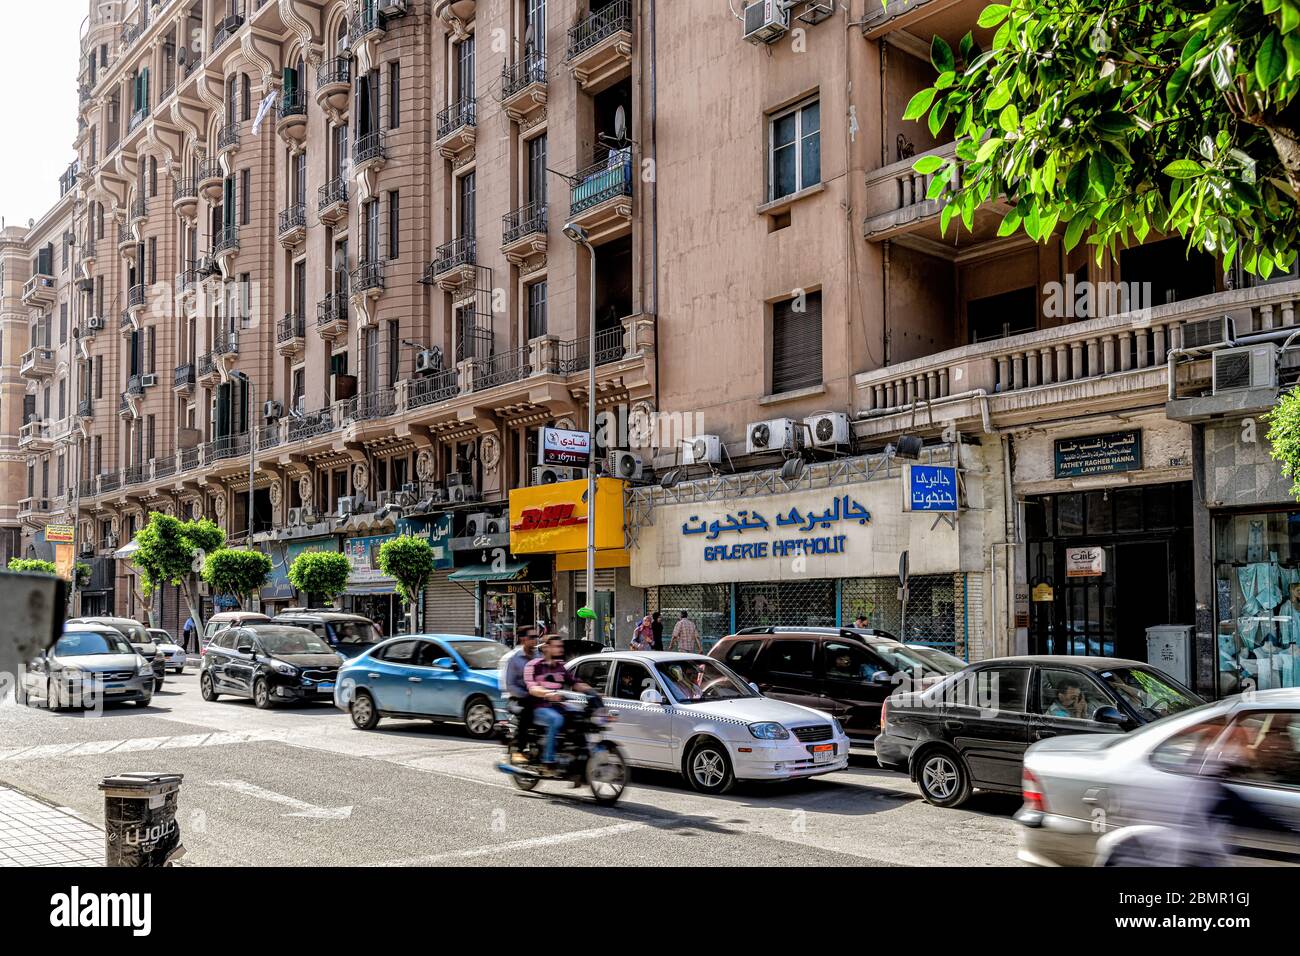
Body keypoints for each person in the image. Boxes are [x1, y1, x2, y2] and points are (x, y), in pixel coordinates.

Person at [524, 634, 590, 766]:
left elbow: (575, 683)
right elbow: (532, 688)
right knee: (556, 719)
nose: (560, 649)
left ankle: (575, 756)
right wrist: (548, 694)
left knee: (580, 716)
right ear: (547, 648)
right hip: (539, 708)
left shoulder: (560, 667)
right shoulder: (534, 665)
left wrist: (593, 692)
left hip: (558, 706)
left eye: (561, 646)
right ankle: (548, 758)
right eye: (557, 646)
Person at [499, 626, 540, 763]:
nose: (535, 640)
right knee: (527, 713)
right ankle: (519, 749)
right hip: (517, 699)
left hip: (537, 696)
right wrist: (527, 694)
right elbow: (509, 686)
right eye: (532, 637)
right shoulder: (512, 658)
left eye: (536, 637)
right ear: (523, 638)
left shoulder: (538, 655)